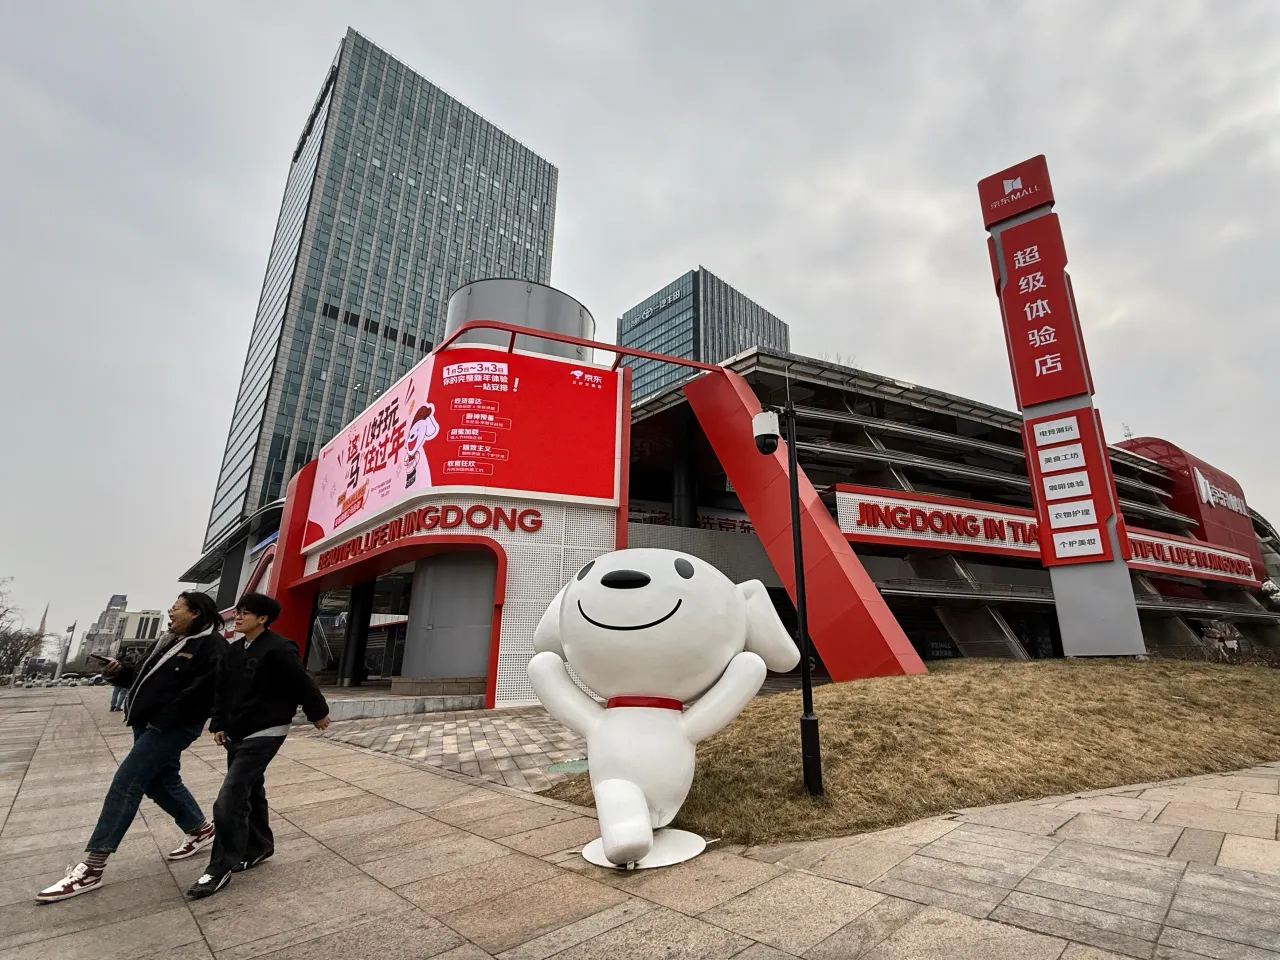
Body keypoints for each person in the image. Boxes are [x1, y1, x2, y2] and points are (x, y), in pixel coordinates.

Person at [37, 592, 227, 903]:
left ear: (195, 612)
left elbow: (204, 692)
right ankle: (200, 829)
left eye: (177, 607)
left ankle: (92, 868)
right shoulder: (168, 640)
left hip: (170, 726)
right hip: (146, 720)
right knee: (160, 781)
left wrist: (166, 719)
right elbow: (142, 676)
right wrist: (119, 671)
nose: (170, 610)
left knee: (127, 782)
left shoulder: (212, 645)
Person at [187, 593, 330, 899]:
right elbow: (223, 690)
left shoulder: (279, 648)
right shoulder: (234, 650)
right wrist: (220, 723)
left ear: (262, 619)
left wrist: (318, 712)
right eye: (237, 612)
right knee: (251, 789)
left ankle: (218, 868)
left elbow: (301, 682)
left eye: (245, 613)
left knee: (229, 798)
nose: (237, 618)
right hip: (238, 731)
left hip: (268, 729)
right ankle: (259, 846)